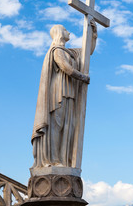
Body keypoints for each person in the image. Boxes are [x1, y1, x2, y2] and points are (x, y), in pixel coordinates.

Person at [31, 22, 97, 168]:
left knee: (68, 127)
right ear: (60, 32)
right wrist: (83, 77)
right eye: (66, 30)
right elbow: (65, 67)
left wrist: (93, 34)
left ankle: (63, 160)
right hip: (58, 93)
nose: (69, 32)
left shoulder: (71, 53)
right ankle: (53, 160)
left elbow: (88, 52)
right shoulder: (57, 51)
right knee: (57, 126)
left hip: (70, 93)